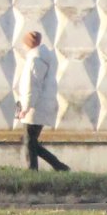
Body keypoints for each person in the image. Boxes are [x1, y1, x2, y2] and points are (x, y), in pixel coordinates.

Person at [14, 30, 69, 172]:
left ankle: (35, 171)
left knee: (28, 141)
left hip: (35, 107)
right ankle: (59, 167)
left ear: (29, 45)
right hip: (40, 104)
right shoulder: (43, 57)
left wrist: (25, 108)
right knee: (31, 142)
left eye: (24, 44)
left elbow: (31, 85)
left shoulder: (35, 60)